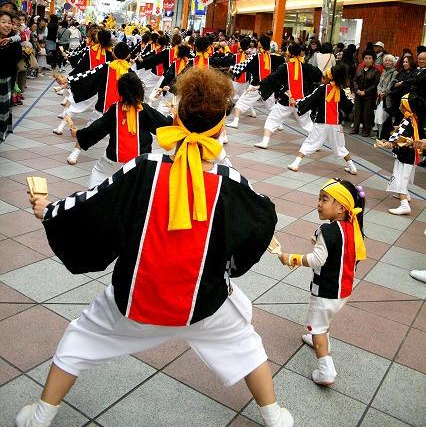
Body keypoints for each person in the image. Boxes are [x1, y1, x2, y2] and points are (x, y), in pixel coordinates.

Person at [19, 66, 294, 427]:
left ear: (175, 118)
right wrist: (226, 268)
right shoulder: (232, 183)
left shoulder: (144, 167)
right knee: (245, 343)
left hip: (136, 297)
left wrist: (48, 211)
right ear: (221, 127)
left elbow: (94, 208)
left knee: (81, 337)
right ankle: (274, 416)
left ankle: (39, 416)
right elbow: (263, 220)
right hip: (204, 301)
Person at [272, 178, 366, 386]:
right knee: (325, 319)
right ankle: (322, 335)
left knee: (317, 329)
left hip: (326, 290)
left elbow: (317, 260)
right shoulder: (351, 227)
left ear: (342, 207)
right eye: (319, 198)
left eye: (325, 199)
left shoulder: (327, 230)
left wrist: (291, 258)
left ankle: (326, 370)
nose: (319, 204)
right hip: (344, 289)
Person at [71, 73, 172, 188]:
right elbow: (165, 125)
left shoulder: (115, 109)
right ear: (140, 90)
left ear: (121, 91)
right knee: (137, 185)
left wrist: (78, 134)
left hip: (114, 158)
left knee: (98, 175)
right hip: (140, 161)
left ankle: (93, 199)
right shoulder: (145, 109)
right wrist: (172, 116)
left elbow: (97, 129)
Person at [287, 65, 357, 174]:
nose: (323, 78)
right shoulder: (341, 91)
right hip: (335, 125)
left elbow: (310, 99)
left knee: (310, 142)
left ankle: (295, 164)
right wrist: (350, 98)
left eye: (324, 76)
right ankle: (352, 168)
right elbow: (348, 107)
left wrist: (297, 103)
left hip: (321, 123)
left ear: (329, 78)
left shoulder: (322, 89)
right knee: (339, 146)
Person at [252, 42, 322, 148]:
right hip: (301, 102)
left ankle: (265, 142)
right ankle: (316, 145)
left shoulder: (285, 67)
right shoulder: (306, 67)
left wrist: (260, 86)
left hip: (286, 101)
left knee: (272, 119)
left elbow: (272, 78)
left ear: (289, 54)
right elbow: (319, 75)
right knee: (307, 124)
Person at [377, 93, 425, 215]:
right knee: (405, 177)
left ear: (406, 107)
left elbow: (400, 137)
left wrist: (389, 143)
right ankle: (406, 195)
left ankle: (404, 205)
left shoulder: (408, 121)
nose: (399, 106)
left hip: (406, 155)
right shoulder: (414, 118)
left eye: (401, 104)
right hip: (410, 154)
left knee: (400, 178)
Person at [0, 11, 22, 142]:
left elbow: (16, 59)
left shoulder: (13, 42)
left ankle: (1, 131)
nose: (7, 25)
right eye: (4, 22)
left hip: (6, 78)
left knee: (3, 108)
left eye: (10, 23)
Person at [350, 50, 380, 137]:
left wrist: (365, 92)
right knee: (357, 112)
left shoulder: (376, 71)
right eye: (366, 58)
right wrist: (357, 90)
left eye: (370, 58)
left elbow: (375, 84)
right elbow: (355, 80)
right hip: (358, 94)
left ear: (373, 60)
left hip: (369, 96)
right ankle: (355, 128)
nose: (367, 60)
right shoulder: (360, 69)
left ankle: (366, 130)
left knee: (367, 114)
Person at [376, 54, 398, 140]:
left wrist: (383, 93)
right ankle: (379, 134)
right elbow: (379, 84)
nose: (387, 62)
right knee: (380, 115)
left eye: (389, 61)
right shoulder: (383, 72)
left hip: (388, 98)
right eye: (386, 60)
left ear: (393, 62)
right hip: (381, 97)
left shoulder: (395, 73)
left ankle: (386, 135)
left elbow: (391, 86)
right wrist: (379, 92)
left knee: (387, 117)